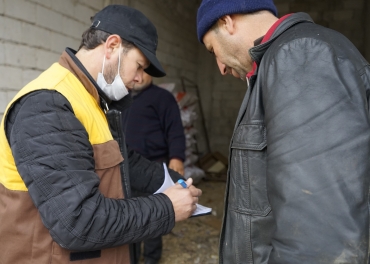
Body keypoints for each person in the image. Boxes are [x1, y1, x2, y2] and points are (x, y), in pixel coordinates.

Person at [0, 5, 202, 264]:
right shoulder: (47, 105)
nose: (140, 79)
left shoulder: (90, 98)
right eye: (139, 66)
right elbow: (78, 222)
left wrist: (175, 182)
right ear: (112, 46)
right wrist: (167, 207)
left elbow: (122, 161)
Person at [197, 0, 370, 263]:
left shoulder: (300, 55)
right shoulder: (283, 59)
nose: (220, 67)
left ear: (227, 21)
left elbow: (319, 236)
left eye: (213, 50)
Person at [122, 71, 186, 264]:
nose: (139, 77)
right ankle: (131, 258)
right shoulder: (120, 98)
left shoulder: (162, 98)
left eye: (143, 72)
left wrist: (177, 157)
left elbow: (175, 130)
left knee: (153, 218)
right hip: (127, 169)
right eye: (135, 72)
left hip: (154, 167)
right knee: (129, 218)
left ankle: (151, 259)